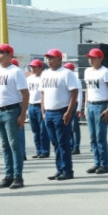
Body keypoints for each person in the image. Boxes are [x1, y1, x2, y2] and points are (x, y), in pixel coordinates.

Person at [0, 43, 29, 189]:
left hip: (11, 111)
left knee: (14, 145)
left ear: (10, 55)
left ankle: (18, 176)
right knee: (5, 146)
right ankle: (8, 175)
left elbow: (25, 94)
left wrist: (22, 114)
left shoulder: (16, 72)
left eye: (1, 52)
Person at [40, 49, 81, 181]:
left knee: (63, 143)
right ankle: (59, 169)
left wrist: (69, 111)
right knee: (55, 143)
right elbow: (43, 93)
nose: (49, 60)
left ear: (59, 59)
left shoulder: (66, 73)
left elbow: (74, 93)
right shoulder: (45, 74)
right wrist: (43, 112)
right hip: (49, 112)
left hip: (61, 111)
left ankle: (67, 170)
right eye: (48, 58)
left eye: (51, 58)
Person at [82, 48, 108, 174]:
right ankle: (96, 162)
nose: (90, 60)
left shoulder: (105, 72)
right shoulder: (87, 71)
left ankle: (104, 164)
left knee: (100, 137)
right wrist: (85, 106)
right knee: (92, 137)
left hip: (101, 105)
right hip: (91, 105)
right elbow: (87, 89)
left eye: (93, 58)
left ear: (100, 58)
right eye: (89, 58)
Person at [26, 60, 51, 159]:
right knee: (35, 130)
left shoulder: (44, 78)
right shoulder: (29, 79)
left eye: (34, 67)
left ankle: (45, 151)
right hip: (31, 105)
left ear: (40, 67)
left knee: (43, 130)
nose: (32, 68)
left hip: (40, 105)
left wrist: (44, 108)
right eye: (31, 67)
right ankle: (38, 150)